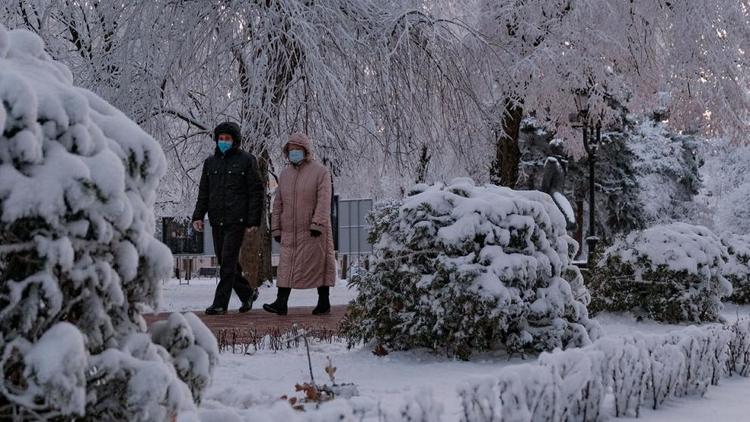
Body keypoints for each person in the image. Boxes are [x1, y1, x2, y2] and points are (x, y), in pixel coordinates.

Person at [192, 122, 264, 315]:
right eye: (221, 138)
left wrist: (252, 221)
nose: (223, 142)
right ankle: (247, 293)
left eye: (228, 139)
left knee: (228, 261)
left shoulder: (247, 160)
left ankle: (220, 303)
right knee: (226, 263)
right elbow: (204, 192)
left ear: (235, 141)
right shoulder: (210, 163)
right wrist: (198, 216)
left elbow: (256, 192)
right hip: (217, 220)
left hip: (237, 220)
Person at [264, 133, 336, 316]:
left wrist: (318, 223)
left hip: (313, 230)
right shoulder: (285, 174)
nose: (294, 153)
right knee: (286, 266)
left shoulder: (320, 172)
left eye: (297, 150)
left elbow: (324, 200)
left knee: (319, 264)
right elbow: (278, 202)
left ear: (305, 151)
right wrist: (276, 227)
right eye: (291, 150)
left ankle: (324, 301)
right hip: (290, 231)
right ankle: (281, 302)